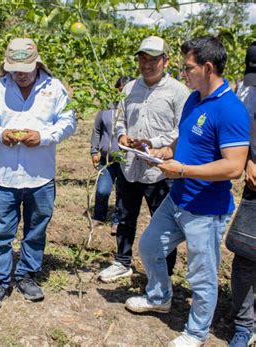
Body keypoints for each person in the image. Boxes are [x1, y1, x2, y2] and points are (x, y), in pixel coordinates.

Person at [125, 36, 250, 347]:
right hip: (179, 198)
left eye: (188, 68)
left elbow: (234, 167)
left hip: (205, 208)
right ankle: (159, 297)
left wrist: (182, 170)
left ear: (208, 68)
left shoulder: (230, 109)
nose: (183, 74)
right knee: (150, 247)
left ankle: (196, 333)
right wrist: (163, 153)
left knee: (202, 275)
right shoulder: (194, 99)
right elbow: (186, 143)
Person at [0, 38, 76, 311]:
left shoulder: (54, 89)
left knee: (35, 230)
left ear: (37, 63)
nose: (19, 74)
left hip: (40, 176)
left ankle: (27, 275)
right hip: (5, 176)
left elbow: (69, 121)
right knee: (0, 232)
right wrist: (0, 134)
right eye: (14, 69)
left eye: (25, 68)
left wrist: (43, 137)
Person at [98, 36, 189, 283]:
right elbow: (119, 119)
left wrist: (154, 143)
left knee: (163, 223)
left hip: (159, 170)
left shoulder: (179, 92)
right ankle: (122, 262)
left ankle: (163, 273)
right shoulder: (129, 89)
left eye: (153, 60)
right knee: (125, 215)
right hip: (130, 167)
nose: (147, 65)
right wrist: (122, 135)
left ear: (166, 61)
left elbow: (182, 128)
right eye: (142, 59)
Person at [228, 41, 256, 347]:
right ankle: (244, 324)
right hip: (253, 187)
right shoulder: (247, 90)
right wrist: (248, 158)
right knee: (246, 255)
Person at [90, 76, 134, 231]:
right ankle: (98, 217)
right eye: (121, 89)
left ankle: (117, 220)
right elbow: (97, 130)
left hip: (125, 159)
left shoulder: (133, 110)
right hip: (106, 158)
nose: (123, 93)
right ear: (117, 89)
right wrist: (94, 150)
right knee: (102, 190)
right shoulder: (106, 109)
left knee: (122, 193)